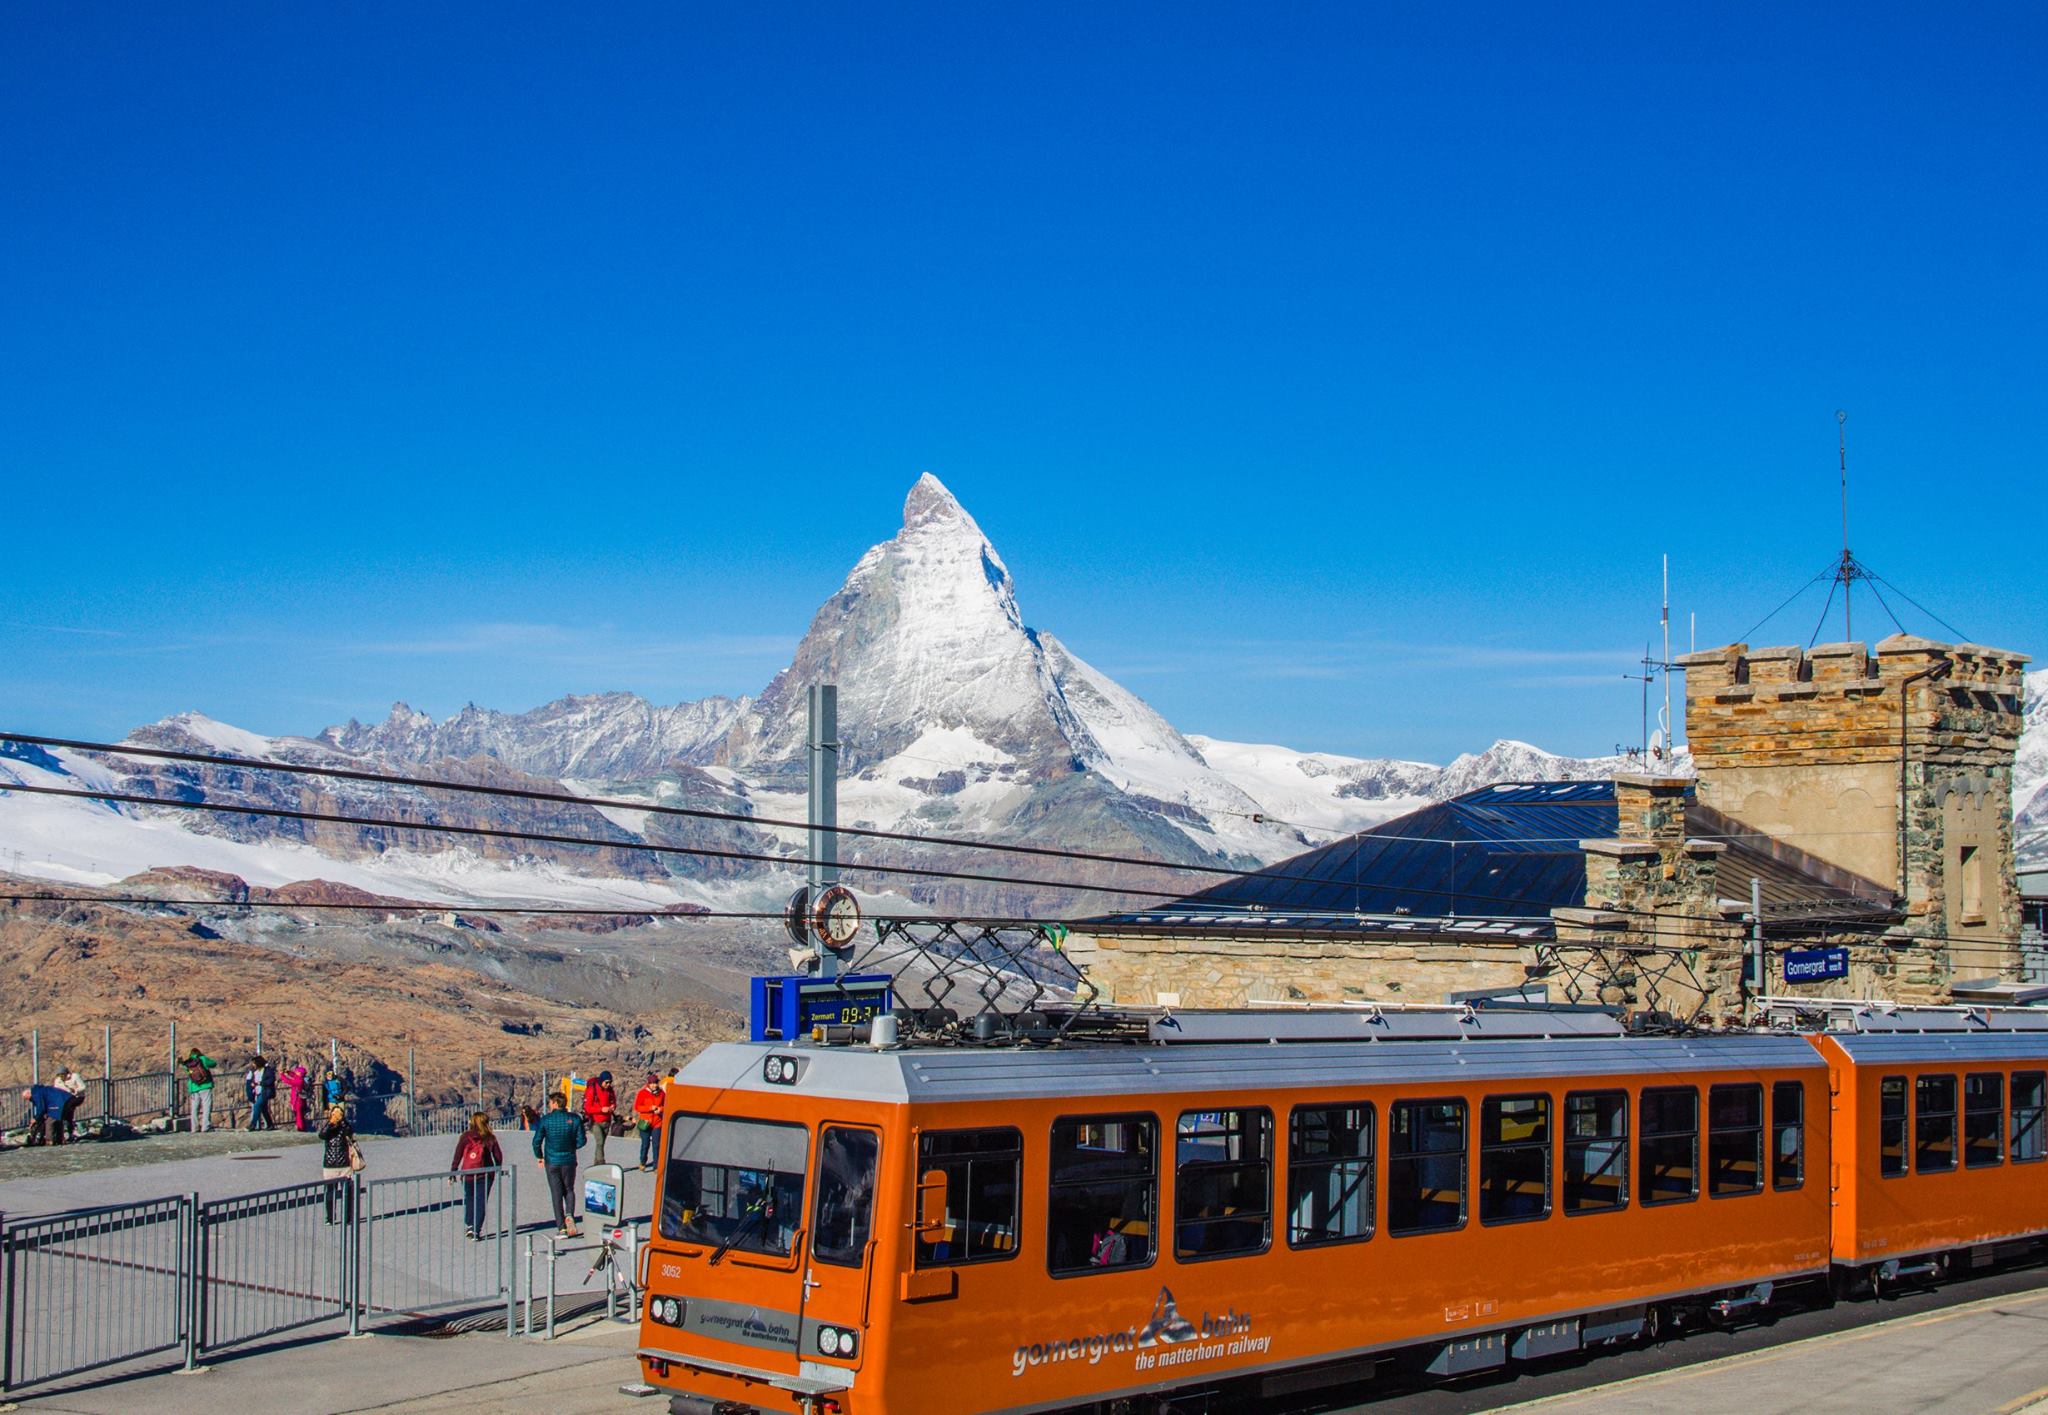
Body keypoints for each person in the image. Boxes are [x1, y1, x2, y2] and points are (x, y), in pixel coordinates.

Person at [531, 1093, 587, 1238]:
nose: (549, 1104)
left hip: (552, 1161)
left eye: (550, 1102)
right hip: (569, 1160)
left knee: (556, 1193)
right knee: (569, 1189)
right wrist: (571, 1147)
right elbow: (582, 1140)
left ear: (555, 1103)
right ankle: (570, 1214)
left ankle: (561, 1227)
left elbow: (536, 1141)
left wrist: (539, 1156)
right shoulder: (575, 1119)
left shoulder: (546, 1120)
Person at [449, 1113, 504, 1240]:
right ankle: (476, 1229)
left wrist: (453, 1170)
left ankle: (469, 1224)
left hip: (468, 1173)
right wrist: (497, 1168)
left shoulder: (466, 1137)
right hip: (485, 1174)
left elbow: (458, 1154)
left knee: (469, 1199)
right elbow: (498, 1156)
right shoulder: (490, 1138)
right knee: (481, 1201)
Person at [319, 1104, 357, 1224]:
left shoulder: (344, 1127)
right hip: (330, 1164)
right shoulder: (329, 1127)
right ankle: (329, 1217)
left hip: (344, 1163)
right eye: (334, 1114)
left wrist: (343, 1122)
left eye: (338, 1114)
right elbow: (322, 1135)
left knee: (347, 1192)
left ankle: (347, 1217)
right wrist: (331, 1123)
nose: (336, 1116)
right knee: (330, 1193)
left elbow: (349, 1132)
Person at [582, 1070, 617, 1167]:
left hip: (606, 1120)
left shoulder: (610, 1091)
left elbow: (613, 1101)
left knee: (601, 1144)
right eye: (606, 1082)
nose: (608, 1084)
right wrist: (601, 1109)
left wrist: (613, 1106)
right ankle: (601, 1162)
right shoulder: (592, 1090)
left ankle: (596, 1162)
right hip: (594, 1121)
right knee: (600, 1141)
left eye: (610, 1082)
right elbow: (587, 1107)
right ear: (601, 1081)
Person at [633, 1072, 665, 1171]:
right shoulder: (642, 1093)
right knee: (645, 1144)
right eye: (652, 1083)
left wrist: (661, 1109)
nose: (654, 1085)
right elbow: (637, 1107)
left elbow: (666, 1105)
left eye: (655, 1083)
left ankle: (656, 1166)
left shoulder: (662, 1094)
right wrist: (649, 1108)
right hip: (645, 1122)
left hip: (657, 1122)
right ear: (648, 1084)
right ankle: (643, 1162)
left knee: (657, 1145)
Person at [183, 1048, 217, 1133]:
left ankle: (194, 1127)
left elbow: (189, 1073)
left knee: (194, 1108)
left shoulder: (188, 1063)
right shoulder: (203, 1059)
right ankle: (205, 1126)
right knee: (206, 1106)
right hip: (205, 1085)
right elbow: (213, 1063)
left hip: (194, 1087)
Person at [54, 1066, 87, 1142]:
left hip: (77, 1097)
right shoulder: (58, 1080)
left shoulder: (75, 1076)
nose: (61, 1077)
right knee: (66, 1113)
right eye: (59, 1075)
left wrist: (76, 1090)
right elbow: (57, 1089)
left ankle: (70, 1128)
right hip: (65, 1098)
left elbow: (83, 1086)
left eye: (62, 1075)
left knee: (68, 1108)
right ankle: (67, 1130)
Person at [282, 1061, 312, 1131]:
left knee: (298, 1114)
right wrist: (288, 1072)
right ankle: (301, 1126)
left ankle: (301, 1127)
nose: (296, 1072)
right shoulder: (300, 1078)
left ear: (300, 1073)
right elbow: (293, 1075)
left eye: (297, 1072)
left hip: (297, 1100)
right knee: (299, 1114)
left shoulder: (299, 1081)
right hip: (299, 1099)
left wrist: (282, 1075)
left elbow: (288, 1081)